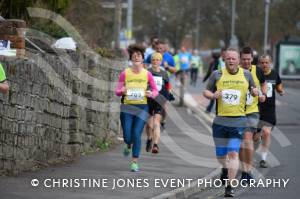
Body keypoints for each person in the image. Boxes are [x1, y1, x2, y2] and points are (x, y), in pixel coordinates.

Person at [203, 48, 258, 197]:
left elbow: (254, 89)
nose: (231, 61)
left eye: (234, 59)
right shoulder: (217, 74)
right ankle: (225, 169)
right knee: (221, 156)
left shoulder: (246, 75)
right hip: (220, 122)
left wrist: (255, 92)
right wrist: (213, 95)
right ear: (224, 60)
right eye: (228, 59)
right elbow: (205, 92)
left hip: (239, 121)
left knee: (233, 153)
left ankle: (229, 186)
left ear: (238, 60)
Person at [115, 44, 158, 172]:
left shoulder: (147, 74)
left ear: (143, 58)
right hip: (127, 107)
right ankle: (128, 144)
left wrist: (151, 94)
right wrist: (122, 90)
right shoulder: (125, 74)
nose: (136, 57)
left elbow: (155, 90)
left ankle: (134, 162)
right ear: (131, 59)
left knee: (136, 134)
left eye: (138, 55)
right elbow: (117, 91)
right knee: (128, 136)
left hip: (142, 107)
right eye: (134, 56)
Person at [238, 46, 267, 184]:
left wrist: (263, 94)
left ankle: (247, 171)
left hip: (252, 111)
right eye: (244, 59)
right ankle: (244, 169)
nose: (246, 62)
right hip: (236, 112)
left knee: (247, 140)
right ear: (240, 59)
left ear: (252, 59)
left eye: (248, 59)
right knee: (240, 145)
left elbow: (264, 84)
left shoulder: (258, 70)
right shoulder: (234, 71)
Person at [256, 54, 285, 168]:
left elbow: (278, 85)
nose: (264, 64)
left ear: (270, 63)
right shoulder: (255, 73)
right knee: (256, 137)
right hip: (256, 108)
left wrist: (281, 91)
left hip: (269, 109)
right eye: (262, 62)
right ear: (259, 63)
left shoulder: (274, 74)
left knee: (267, 133)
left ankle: (263, 159)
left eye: (266, 62)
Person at [145, 52, 170, 154]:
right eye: (153, 60)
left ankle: (156, 145)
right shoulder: (147, 72)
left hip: (159, 100)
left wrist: (166, 100)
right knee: (149, 124)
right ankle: (150, 139)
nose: (155, 62)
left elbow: (167, 88)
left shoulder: (164, 74)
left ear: (160, 61)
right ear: (151, 61)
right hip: (149, 100)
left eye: (157, 60)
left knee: (156, 123)